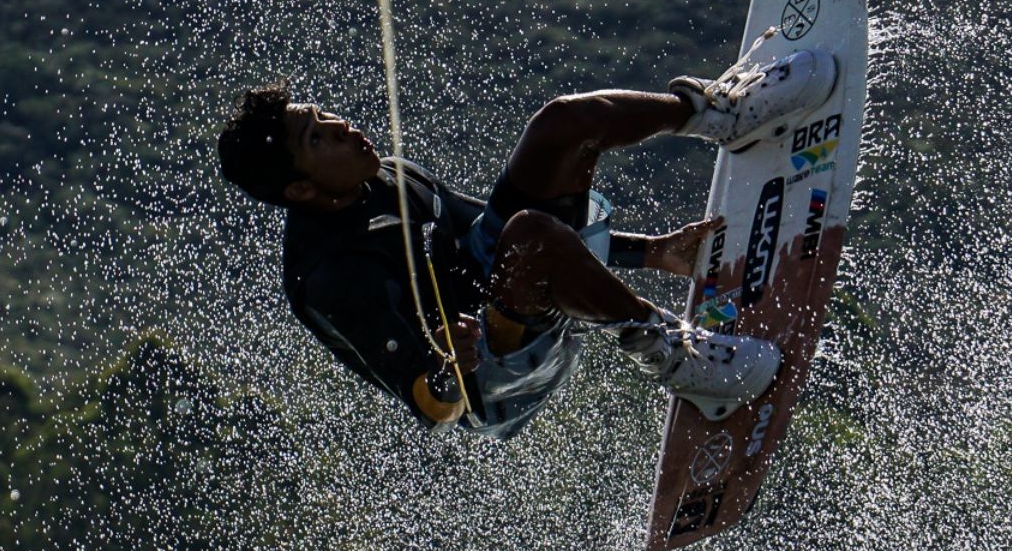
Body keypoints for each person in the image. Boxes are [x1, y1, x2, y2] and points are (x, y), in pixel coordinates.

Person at [213, 44, 836, 438]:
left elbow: (494, 229)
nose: (342, 127)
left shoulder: (382, 173)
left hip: (506, 276)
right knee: (530, 236)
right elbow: (433, 407)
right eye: (317, 138)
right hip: (494, 376)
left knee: (561, 123)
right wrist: (448, 363)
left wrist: (649, 252)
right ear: (299, 191)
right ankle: (680, 359)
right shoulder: (330, 277)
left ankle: (724, 115)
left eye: (321, 114)